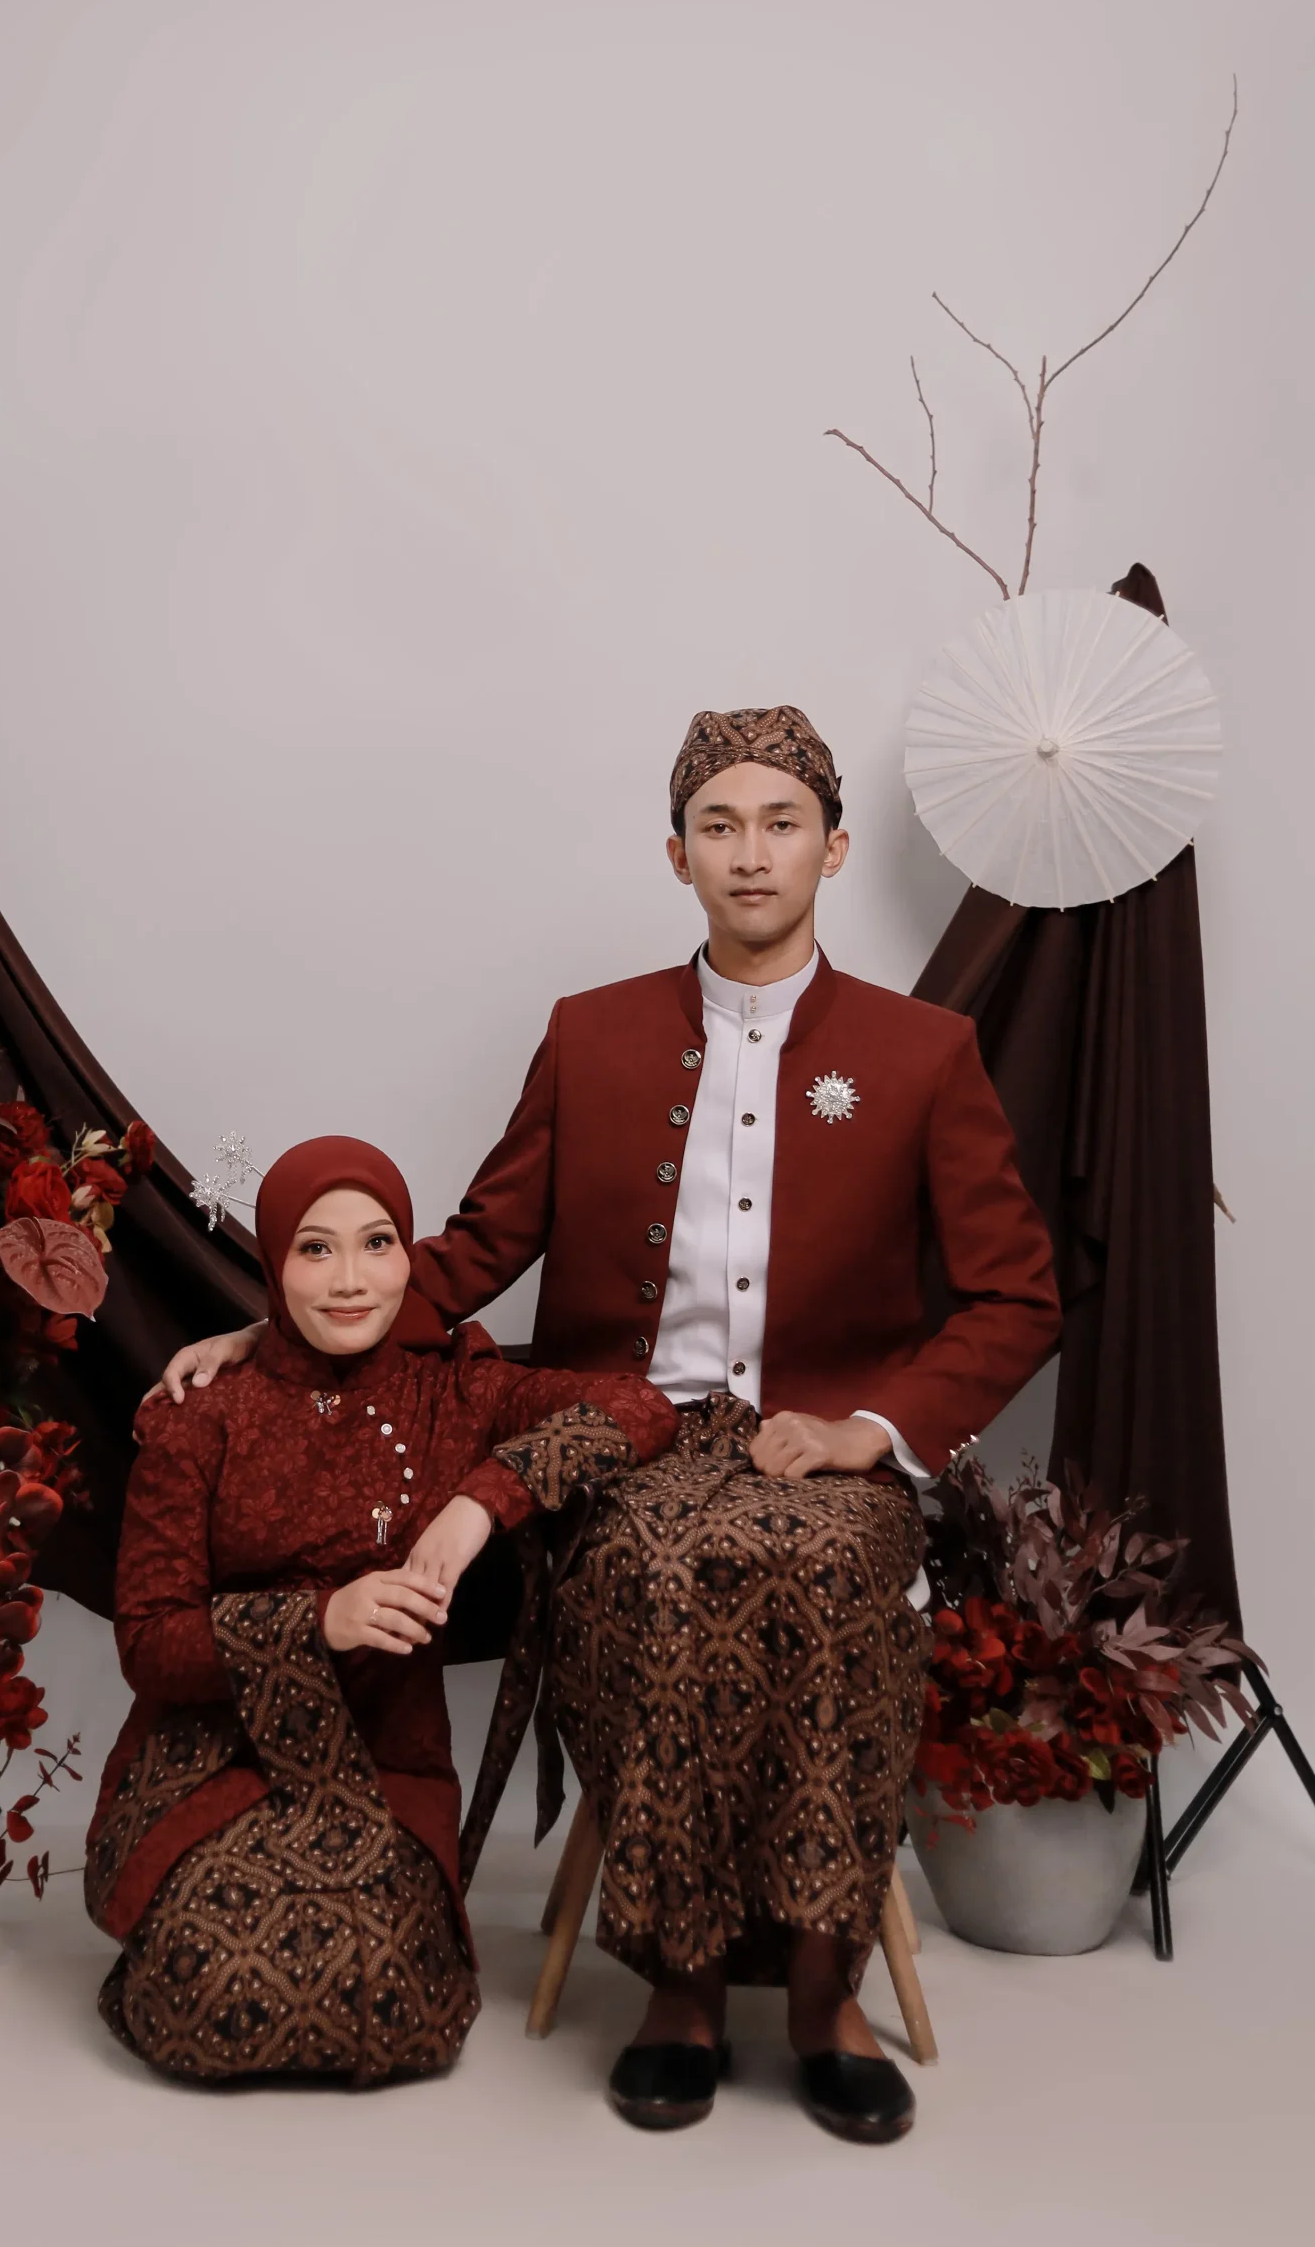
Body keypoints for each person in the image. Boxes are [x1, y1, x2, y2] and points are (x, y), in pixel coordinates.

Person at [154, 706, 1060, 2140]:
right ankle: (679, 1986)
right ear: (674, 853)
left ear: (831, 849)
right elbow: (473, 1248)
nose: (749, 853)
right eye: (718, 826)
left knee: (828, 1571)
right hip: (621, 1435)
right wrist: (279, 1328)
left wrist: (870, 1428)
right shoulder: (592, 1035)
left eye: (779, 825)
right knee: (654, 1573)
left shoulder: (922, 1051)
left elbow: (1016, 1296)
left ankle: (819, 1990)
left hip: (819, 1447)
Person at [87, 1133, 675, 2087]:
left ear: (409, 1254)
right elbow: (149, 1645)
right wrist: (321, 1620)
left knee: (392, 1993)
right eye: (314, 1249)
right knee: (212, 1989)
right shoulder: (202, 1416)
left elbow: (639, 1408)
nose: (351, 1280)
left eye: (377, 1244)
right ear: (274, 1266)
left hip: (384, 1757)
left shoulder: (456, 1392)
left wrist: (480, 1501)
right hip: (216, 1760)